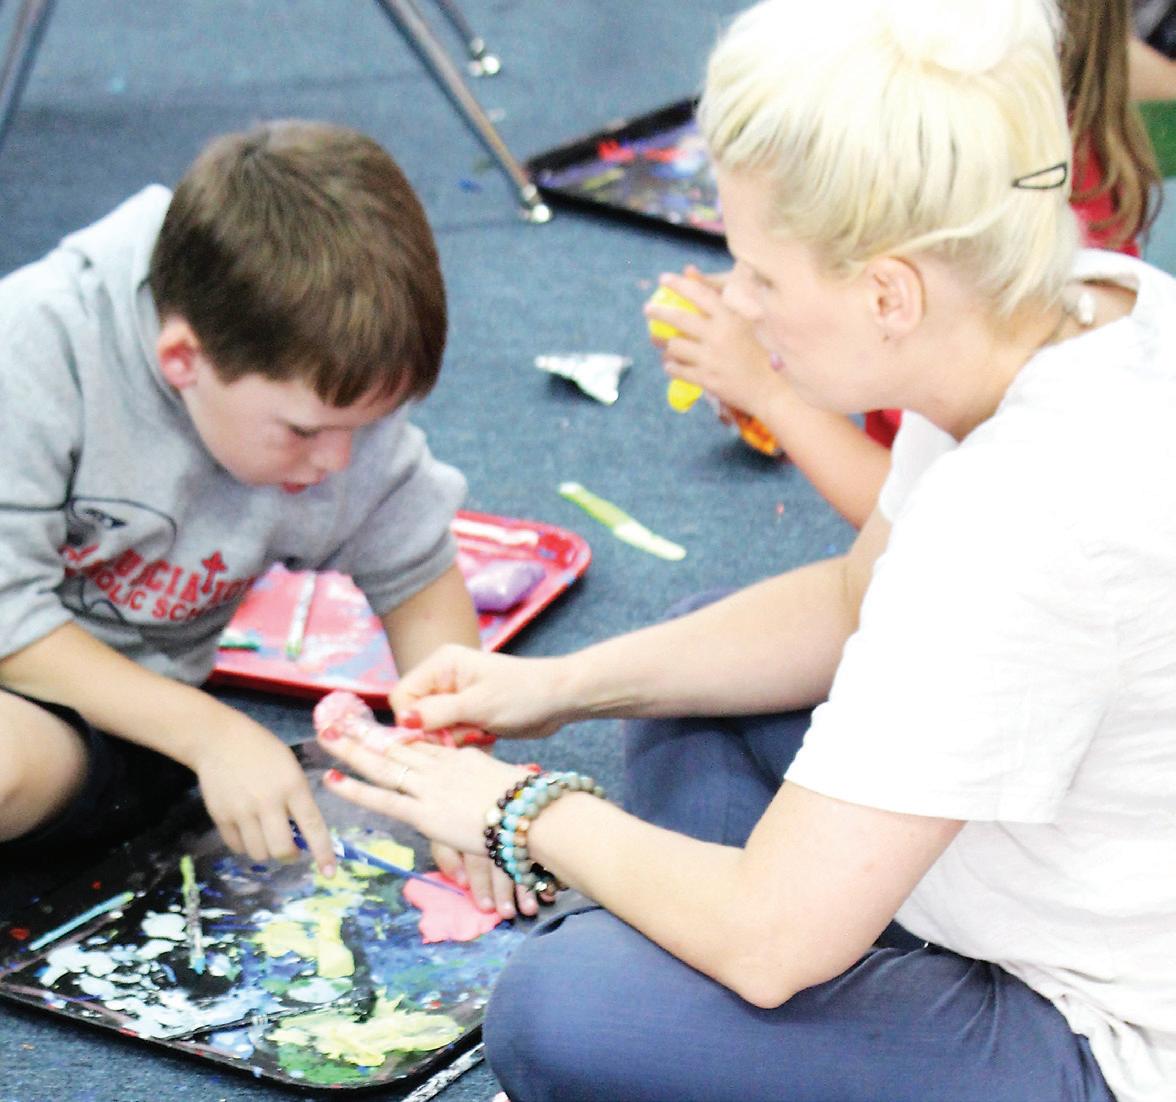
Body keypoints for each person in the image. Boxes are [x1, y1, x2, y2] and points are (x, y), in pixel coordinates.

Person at [317, 0, 1176, 1099]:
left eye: (762, 275)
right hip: (1032, 865)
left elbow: (772, 942)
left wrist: (514, 806)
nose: (740, 301)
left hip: (1106, 1027)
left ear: (889, 293)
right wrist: (557, 686)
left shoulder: (1013, 524)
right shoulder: (1066, 303)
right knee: (686, 678)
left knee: (559, 1009)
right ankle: (762, 964)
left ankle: (753, 968)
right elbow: (855, 598)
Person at [0, 120, 484, 886]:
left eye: (364, 428)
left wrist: (460, 783)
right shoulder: (34, 346)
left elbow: (421, 577)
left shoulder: (322, 402)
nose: (338, 462)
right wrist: (213, 734)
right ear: (182, 360)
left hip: (127, 727)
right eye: (305, 431)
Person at [646, 0, 1162, 529]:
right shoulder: (988, 158)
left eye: (763, 279)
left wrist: (768, 390)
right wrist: (778, 301)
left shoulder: (1016, 450)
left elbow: (922, 526)